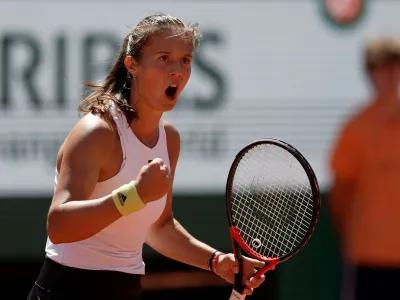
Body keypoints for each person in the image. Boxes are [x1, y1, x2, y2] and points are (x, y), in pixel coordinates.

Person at [26, 13, 267, 300]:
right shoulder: (97, 132)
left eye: (185, 60)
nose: (177, 70)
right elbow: (59, 226)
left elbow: (158, 227)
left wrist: (217, 262)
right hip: (66, 290)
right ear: (132, 65)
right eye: (164, 58)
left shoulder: (169, 139)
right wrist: (134, 195)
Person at [329, 36, 400, 300]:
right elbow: (341, 195)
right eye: (381, 67)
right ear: (370, 73)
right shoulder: (356, 128)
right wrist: (357, 239)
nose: (389, 74)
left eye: (394, 65)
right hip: (368, 257)